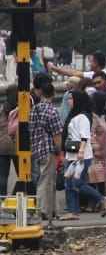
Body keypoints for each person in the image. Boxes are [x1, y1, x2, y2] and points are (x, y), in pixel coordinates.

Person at [61, 90, 106, 220]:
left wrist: (81, 151)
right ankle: (73, 211)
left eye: (71, 98)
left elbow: (85, 136)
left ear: (77, 100)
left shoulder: (83, 117)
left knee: (78, 183)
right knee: (69, 184)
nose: (68, 101)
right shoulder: (74, 115)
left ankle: (101, 199)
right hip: (72, 155)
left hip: (80, 157)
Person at [29, 75, 60, 221]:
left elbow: (30, 129)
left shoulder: (35, 109)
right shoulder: (53, 111)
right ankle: (43, 210)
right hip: (49, 149)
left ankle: (51, 210)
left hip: (37, 149)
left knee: (48, 179)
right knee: (46, 180)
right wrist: (59, 150)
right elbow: (57, 134)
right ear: (53, 94)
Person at [88, 91, 106, 210]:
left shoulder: (101, 116)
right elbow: (91, 134)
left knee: (101, 178)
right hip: (96, 152)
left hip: (103, 151)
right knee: (95, 177)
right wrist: (95, 147)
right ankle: (96, 202)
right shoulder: (93, 117)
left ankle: (101, 201)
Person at [0, 85, 15, 195]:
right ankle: (20, 197)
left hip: (3, 145)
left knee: (3, 175)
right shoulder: (21, 108)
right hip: (18, 144)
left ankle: (2, 199)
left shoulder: (3, 108)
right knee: (23, 174)